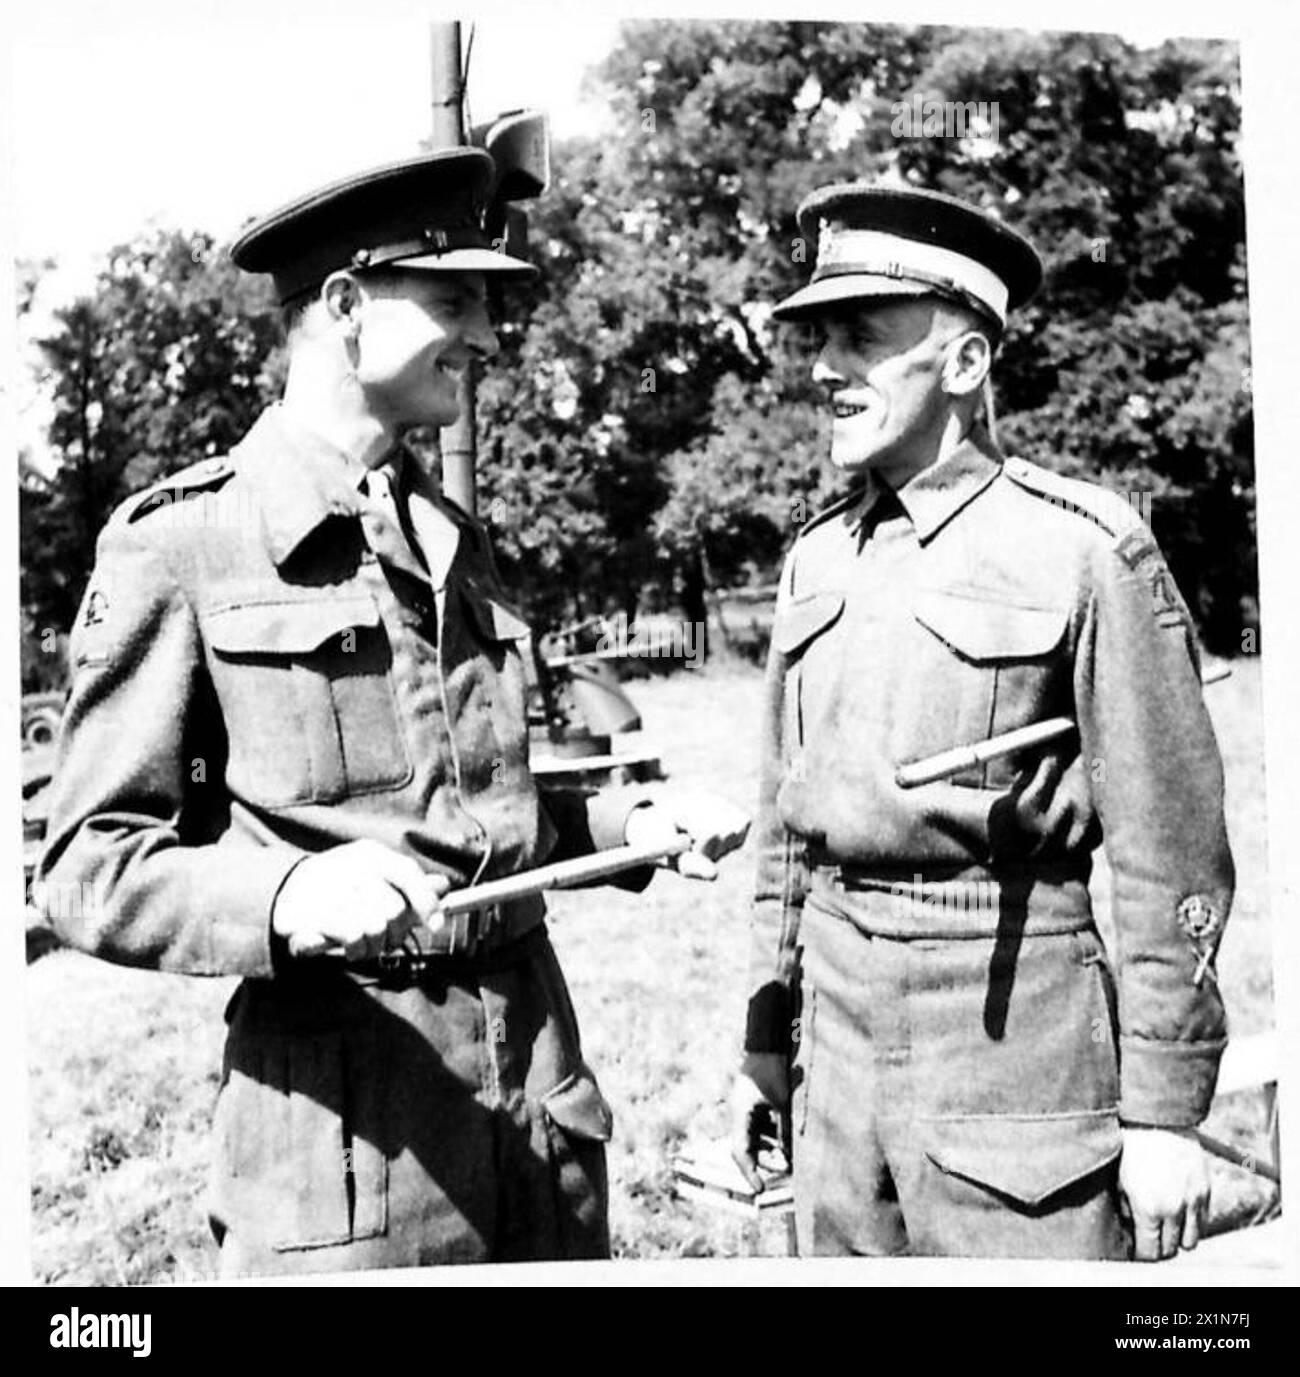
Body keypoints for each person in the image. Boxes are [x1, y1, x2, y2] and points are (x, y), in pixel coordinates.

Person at [37, 147, 747, 1275]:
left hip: (537, 1107)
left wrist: (627, 831)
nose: (486, 336)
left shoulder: (456, 540)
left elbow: (484, 818)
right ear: (344, 307)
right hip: (349, 1135)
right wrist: (290, 896)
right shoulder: (183, 543)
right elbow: (87, 867)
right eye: (454, 299)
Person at [729, 182, 1233, 1261]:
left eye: (861, 337)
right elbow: (784, 823)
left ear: (963, 365)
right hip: (836, 1033)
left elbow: (1170, 854)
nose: (825, 366)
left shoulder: (1083, 548)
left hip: (1013, 1038)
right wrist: (767, 1028)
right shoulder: (816, 558)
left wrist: (1162, 1113)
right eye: (818, 337)